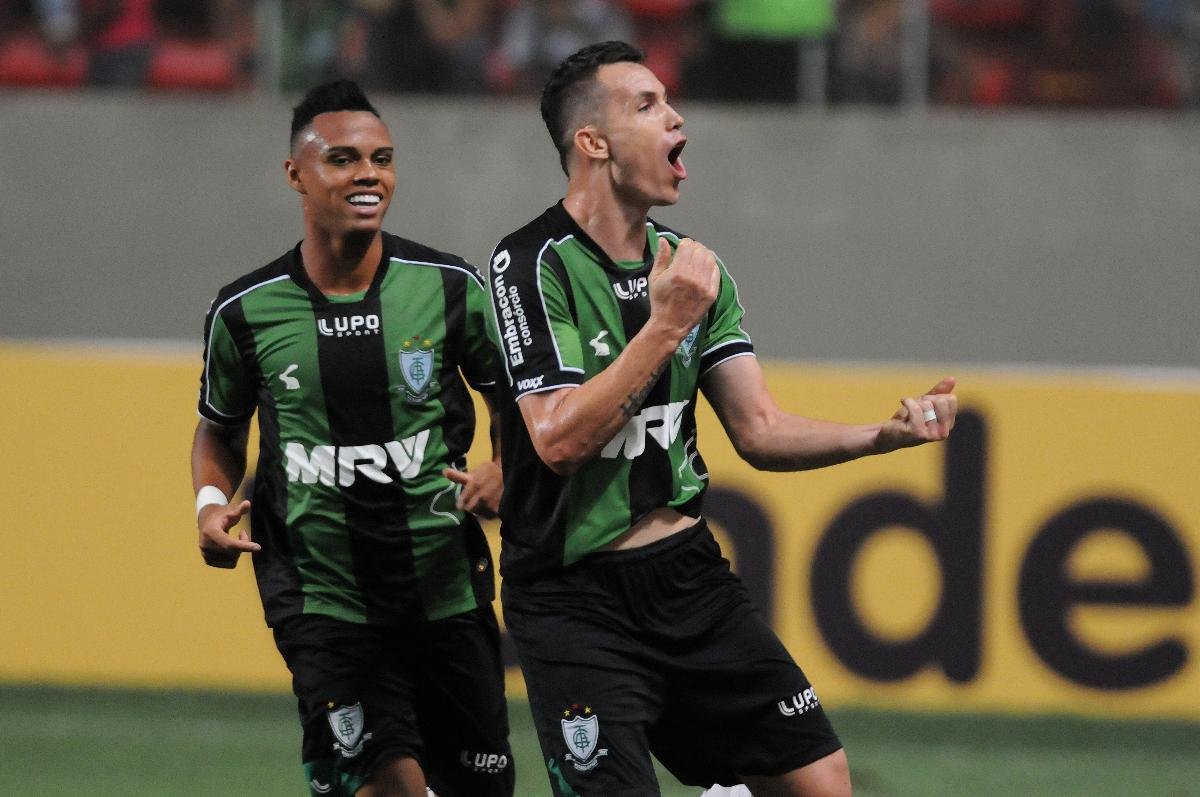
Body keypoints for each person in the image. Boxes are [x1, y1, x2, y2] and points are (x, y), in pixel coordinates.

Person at [486, 41, 959, 796]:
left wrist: (881, 434)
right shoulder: (530, 263)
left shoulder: (692, 267)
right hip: (574, 597)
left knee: (820, 780)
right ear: (593, 143)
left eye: (669, 101)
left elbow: (760, 428)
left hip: (687, 580)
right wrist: (665, 323)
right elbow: (558, 438)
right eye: (646, 105)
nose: (675, 117)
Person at [191, 79, 514, 797]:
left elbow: (513, 399)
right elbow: (219, 430)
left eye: (382, 158)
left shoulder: (449, 287)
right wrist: (208, 505)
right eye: (342, 159)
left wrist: (504, 465)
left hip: (445, 591)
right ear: (295, 175)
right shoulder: (246, 312)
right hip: (321, 597)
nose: (369, 173)